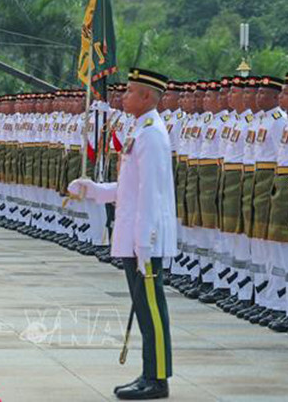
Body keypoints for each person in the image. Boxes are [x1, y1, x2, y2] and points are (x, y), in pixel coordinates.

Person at [69, 68, 176, 400]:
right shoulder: (140, 130)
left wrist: (145, 243)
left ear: (146, 97)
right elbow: (130, 189)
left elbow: (152, 194)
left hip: (145, 238)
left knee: (152, 309)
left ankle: (157, 378)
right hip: (135, 236)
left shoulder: (152, 134)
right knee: (143, 308)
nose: (123, 97)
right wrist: (95, 190)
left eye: (130, 91)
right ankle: (149, 372)